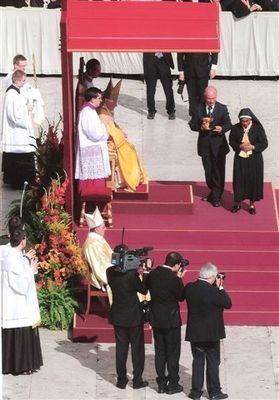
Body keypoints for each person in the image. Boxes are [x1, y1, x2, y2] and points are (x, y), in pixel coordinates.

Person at [184, 263, 232, 400]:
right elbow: (228, 304)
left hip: (195, 333)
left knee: (197, 362)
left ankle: (195, 392)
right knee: (212, 362)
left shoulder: (190, 288)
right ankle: (214, 392)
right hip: (212, 334)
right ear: (212, 276)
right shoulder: (215, 291)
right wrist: (220, 286)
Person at [1, 229, 43, 375]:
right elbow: (21, 285)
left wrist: (29, 265)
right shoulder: (14, 259)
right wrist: (31, 270)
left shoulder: (11, 254)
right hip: (18, 306)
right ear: (23, 241)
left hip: (12, 305)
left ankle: (10, 365)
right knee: (21, 331)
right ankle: (21, 366)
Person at [106, 247, 149, 390]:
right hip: (133, 317)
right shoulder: (131, 275)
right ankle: (137, 380)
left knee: (121, 349)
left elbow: (119, 273)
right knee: (137, 350)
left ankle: (121, 380)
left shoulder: (109, 272)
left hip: (118, 316)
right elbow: (143, 289)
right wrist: (146, 272)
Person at [98, 79, 148, 192]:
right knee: (129, 150)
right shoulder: (102, 114)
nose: (116, 104)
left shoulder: (107, 111)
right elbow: (108, 132)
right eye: (114, 102)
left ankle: (130, 179)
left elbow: (114, 127)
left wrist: (121, 132)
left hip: (115, 139)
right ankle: (130, 181)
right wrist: (120, 136)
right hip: (109, 142)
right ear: (108, 102)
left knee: (131, 147)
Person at [147, 252, 186, 395]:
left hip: (156, 318)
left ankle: (161, 383)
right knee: (173, 353)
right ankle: (173, 383)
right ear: (176, 265)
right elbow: (181, 297)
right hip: (171, 321)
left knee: (160, 352)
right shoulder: (174, 278)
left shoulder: (153, 274)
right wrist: (179, 278)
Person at [189, 86, 232, 207]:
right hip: (205, 146)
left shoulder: (222, 108)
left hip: (219, 146)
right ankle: (213, 191)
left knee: (218, 171)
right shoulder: (198, 108)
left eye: (213, 98)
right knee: (208, 171)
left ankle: (217, 196)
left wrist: (222, 129)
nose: (211, 101)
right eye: (208, 98)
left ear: (216, 97)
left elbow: (229, 124)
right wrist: (200, 128)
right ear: (205, 97)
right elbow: (192, 125)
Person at [229, 108, 268, 215]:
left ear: (250, 120)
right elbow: (231, 141)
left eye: (247, 121)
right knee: (239, 180)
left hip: (254, 160)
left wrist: (253, 147)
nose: (245, 123)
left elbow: (264, 143)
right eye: (243, 121)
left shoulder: (258, 128)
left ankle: (251, 204)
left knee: (252, 180)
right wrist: (239, 146)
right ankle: (237, 203)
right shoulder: (236, 128)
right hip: (240, 159)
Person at [2, 70, 36, 189]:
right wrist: (26, 108)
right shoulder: (11, 93)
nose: (24, 82)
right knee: (20, 158)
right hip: (16, 132)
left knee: (24, 156)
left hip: (20, 132)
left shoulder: (17, 92)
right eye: (23, 80)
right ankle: (20, 182)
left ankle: (25, 181)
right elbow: (13, 115)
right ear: (16, 80)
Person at [75, 87, 111, 190]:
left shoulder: (90, 110)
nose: (101, 100)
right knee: (93, 182)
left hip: (92, 148)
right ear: (92, 99)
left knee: (95, 178)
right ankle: (93, 200)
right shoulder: (87, 111)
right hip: (91, 149)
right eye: (99, 98)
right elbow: (93, 133)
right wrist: (103, 124)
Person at [82, 207, 112, 296]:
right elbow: (99, 267)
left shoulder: (98, 240)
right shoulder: (92, 245)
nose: (105, 229)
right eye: (103, 227)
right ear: (96, 229)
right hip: (103, 276)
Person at [177, 52, 218, 117]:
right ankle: (194, 117)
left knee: (203, 96)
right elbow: (179, 54)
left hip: (203, 70)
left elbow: (214, 51)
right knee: (192, 96)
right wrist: (181, 72)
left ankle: (203, 116)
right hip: (189, 70)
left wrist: (213, 68)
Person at [143, 52, 175, 120]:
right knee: (150, 89)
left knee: (168, 88)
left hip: (164, 60)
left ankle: (171, 111)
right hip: (150, 61)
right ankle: (151, 111)